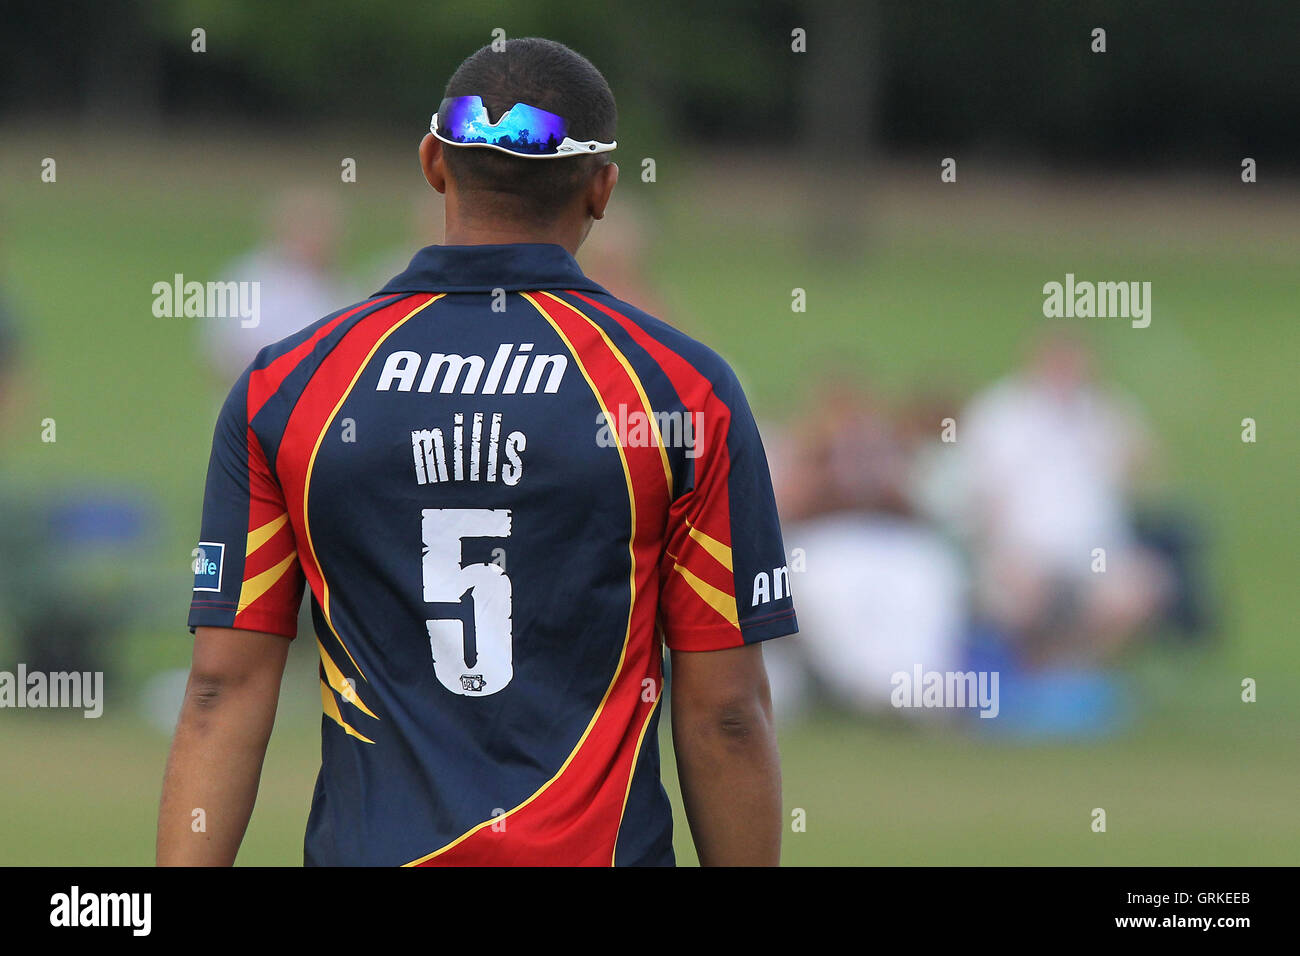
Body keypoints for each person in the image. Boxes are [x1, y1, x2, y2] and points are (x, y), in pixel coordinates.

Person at [158, 38, 797, 867]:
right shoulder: (679, 390)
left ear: (432, 164)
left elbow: (222, 689)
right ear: (602, 186)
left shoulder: (290, 385)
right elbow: (726, 714)